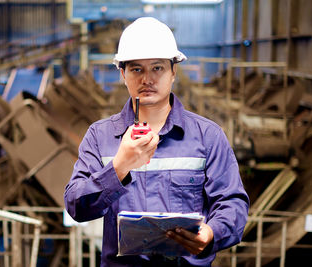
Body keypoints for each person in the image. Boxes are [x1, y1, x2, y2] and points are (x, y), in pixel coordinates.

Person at [64, 17, 249, 267]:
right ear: (123, 73)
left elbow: (232, 202)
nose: (147, 79)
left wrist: (212, 232)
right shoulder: (100, 137)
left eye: (157, 68)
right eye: (136, 69)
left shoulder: (208, 136)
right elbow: (76, 206)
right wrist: (119, 167)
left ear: (174, 71)